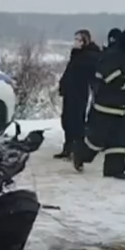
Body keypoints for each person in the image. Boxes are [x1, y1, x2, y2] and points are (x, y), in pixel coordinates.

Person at [74, 28, 125, 179]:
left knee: (119, 140)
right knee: (97, 140)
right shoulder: (111, 55)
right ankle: (80, 154)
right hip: (104, 107)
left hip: (122, 108)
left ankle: (115, 169)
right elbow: (112, 79)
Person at [54, 29, 100, 159]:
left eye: (79, 40)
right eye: (75, 39)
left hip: (79, 91)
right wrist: (63, 84)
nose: (76, 42)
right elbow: (70, 71)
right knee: (67, 120)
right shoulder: (76, 54)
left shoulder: (90, 55)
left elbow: (90, 75)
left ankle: (77, 149)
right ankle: (68, 148)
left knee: (76, 121)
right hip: (70, 90)